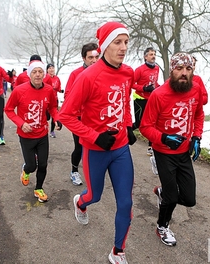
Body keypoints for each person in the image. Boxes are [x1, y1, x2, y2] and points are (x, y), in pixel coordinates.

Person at [59, 21, 136, 264]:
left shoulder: (128, 73)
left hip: (121, 148)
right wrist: (95, 136)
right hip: (95, 150)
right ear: (104, 46)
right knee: (95, 195)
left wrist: (128, 125)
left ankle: (117, 251)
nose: (123, 47)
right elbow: (65, 115)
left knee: (126, 202)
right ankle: (80, 203)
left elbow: (124, 102)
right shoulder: (88, 77)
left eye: (126, 42)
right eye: (117, 42)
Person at [139, 52, 205, 247]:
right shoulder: (159, 95)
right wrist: (164, 138)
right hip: (164, 152)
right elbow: (145, 127)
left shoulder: (196, 90)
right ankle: (162, 227)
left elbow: (199, 114)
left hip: (184, 152)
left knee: (189, 199)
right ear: (171, 70)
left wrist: (197, 136)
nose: (184, 73)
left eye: (188, 69)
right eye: (179, 69)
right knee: (172, 197)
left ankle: (161, 192)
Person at [5, 60, 62, 203]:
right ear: (29, 74)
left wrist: (57, 119)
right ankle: (26, 170)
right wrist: (21, 123)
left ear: (44, 74)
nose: (37, 74)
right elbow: (9, 109)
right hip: (26, 135)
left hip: (42, 134)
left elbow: (53, 108)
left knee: (43, 164)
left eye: (40, 71)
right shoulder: (19, 90)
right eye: (34, 72)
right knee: (32, 165)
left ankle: (38, 188)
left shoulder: (49, 90)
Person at [63, 42, 99, 186]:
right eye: (90, 57)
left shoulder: (102, 73)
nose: (94, 61)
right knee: (79, 146)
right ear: (84, 58)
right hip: (79, 118)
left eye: (96, 57)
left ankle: (94, 172)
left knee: (95, 146)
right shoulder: (76, 74)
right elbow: (67, 95)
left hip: (96, 118)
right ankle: (74, 171)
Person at [132, 47, 160, 156]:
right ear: (145, 57)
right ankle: (125, 131)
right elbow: (132, 84)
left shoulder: (156, 68)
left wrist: (160, 88)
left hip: (151, 98)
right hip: (139, 98)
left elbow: (155, 83)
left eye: (154, 54)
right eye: (151, 54)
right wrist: (144, 88)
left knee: (152, 122)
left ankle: (150, 147)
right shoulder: (139, 70)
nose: (153, 56)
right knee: (139, 123)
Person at [45, 63, 63, 138]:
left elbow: (58, 87)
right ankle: (44, 128)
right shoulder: (45, 78)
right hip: (46, 100)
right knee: (46, 117)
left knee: (54, 116)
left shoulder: (57, 78)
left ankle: (52, 131)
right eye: (50, 68)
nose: (51, 69)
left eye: (53, 68)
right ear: (47, 70)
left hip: (55, 99)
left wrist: (60, 90)